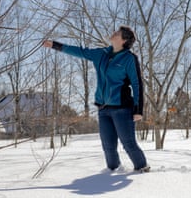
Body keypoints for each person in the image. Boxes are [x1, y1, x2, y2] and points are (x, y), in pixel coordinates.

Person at [42, 26, 149, 173]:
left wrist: (138, 109)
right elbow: (80, 51)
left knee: (128, 143)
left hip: (122, 108)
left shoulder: (129, 58)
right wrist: (55, 45)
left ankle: (142, 169)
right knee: (108, 145)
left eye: (118, 33)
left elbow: (137, 84)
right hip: (103, 109)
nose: (114, 32)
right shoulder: (101, 54)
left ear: (124, 40)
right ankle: (112, 170)